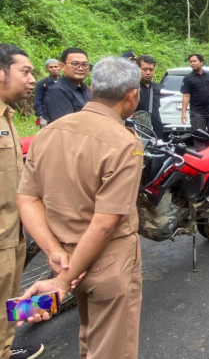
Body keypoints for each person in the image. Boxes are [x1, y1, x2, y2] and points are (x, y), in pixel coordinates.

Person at [16, 57, 144, 359]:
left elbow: (27, 199)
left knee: (87, 337)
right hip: (107, 260)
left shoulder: (47, 134)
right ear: (132, 95)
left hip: (62, 256)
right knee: (110, 348)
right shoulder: (126, 142)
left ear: (93, 88)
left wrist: (56, 257)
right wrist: (61, 282)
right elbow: (104, 223)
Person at [0, 44, 44, 359]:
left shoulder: (8, 116)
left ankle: (6, 345)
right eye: (25, 72)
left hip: (13, 230)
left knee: (9, 295)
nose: (32, 79)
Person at [181, 53, 209, 151]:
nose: (192, 63)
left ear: (201, 62)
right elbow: (186, 95)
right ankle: (201, 161)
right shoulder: (188, 78)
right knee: (199, 138)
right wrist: (183, 112)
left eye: (194, 61)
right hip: (197, 113)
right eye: (191, 62)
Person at [43, 47, 91, 123]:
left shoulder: (86, 89)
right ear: (62, 66)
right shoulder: (57, 92)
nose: (81, 68)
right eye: (75, 64)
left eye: (85, 65)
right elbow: (66, 126)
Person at [133, 55, 164, 139]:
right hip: (138, 133)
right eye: (144, 69)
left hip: (156, 133)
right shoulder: (132, 88)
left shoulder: (157, 88)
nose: (148, 72)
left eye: (151, 70)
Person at [33, 58, 60, 129]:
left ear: (60, 67)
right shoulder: (42, 83)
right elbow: (38, 101)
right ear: (46, 69)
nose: (54, 69)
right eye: (51, 67)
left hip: (63, 114)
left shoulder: (67, 82)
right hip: (47, 116)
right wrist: (41, 117)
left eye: (56, 66)